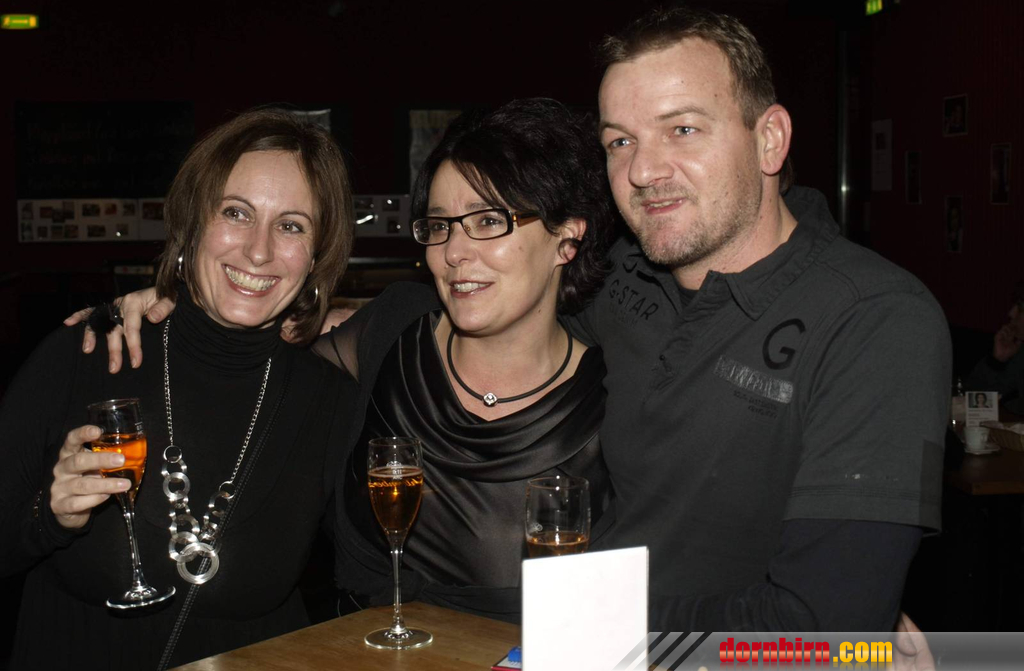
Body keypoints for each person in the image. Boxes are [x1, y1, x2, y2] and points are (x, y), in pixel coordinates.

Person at [67, 98, 617, 623]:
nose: (453, 252)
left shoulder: (617, 389)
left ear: (567, 236)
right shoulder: (394, 328)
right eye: (440, 225)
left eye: (489, 221)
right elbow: (260, 362)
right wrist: (175, 307)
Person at [566, 4, 950, 631]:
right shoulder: (620, 275)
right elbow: (511, 336)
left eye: (682, 129)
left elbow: (824, 632)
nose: (642, 171)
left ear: (769, 139)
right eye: (620, 142)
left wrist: (584, 620)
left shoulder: (875, 319)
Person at [2, 109, 358, 669]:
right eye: (236, 213)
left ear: (316, 255)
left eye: (291, 225)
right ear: (192, 224)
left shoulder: (330, 402)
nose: (259, 250)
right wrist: (49, 515)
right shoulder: (87, 353)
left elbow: (377, 582)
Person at [966, 282, 1024, 416]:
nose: (1011, 313)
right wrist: (996, 362)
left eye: (1020, 307)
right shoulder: (1020, 353)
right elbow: (974, 404)